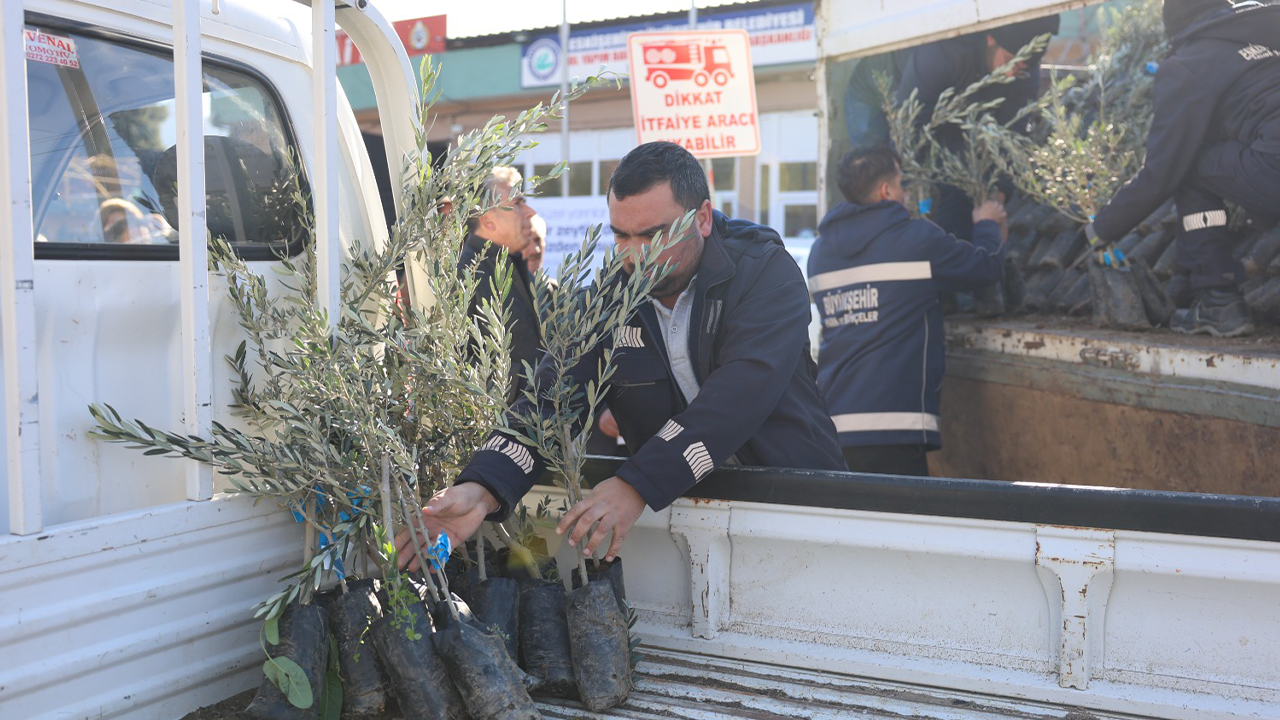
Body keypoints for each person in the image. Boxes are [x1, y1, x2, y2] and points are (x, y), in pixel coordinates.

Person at [399, 141, 845, 567]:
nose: (636, 254)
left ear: (703, 219)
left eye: (653, 235)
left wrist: (636, 484)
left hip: (800, 512)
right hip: (682, 519)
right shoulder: (614, 293)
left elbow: (739, 395)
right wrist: (483, 485)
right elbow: (553, 393)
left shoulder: (765, 273)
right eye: (621, 236)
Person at [1085, 0, 1280, 338]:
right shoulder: (1265, 34)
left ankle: (1220, 302)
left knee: (1188, 164)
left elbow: (1162, 171)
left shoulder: (1190, 62)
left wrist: (1102, 227)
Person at [808, 146, 1006, 476]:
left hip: (832, 426)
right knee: (902, 525)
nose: (905, 193)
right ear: (886, 191)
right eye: (901, 184)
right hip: (892, 427)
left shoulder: (820, 253)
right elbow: (985, 268)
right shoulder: (916, 241)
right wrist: (987, 224)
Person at [894, 17, 1059, 243]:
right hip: (894, 93)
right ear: (991, 39)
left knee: (960, 194)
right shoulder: (942, 53)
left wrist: (996, 202)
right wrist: (912, 187)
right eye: (1009, 61)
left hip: (962, 121)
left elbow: (1012, 137)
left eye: (1020, 69)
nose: (1011, 74)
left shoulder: (1024, 74)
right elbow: (907, 124)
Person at [458, 166, 540, 398]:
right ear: (488, 220)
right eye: (518, 203)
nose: (530, 211)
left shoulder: (510, 264)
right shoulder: (467, 276)